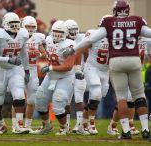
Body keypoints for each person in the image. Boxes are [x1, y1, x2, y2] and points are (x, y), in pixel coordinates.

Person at [63, 0, 151, 140]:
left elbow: (90, 39)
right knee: (139, 95)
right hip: (133, 61)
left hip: (116, 62)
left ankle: (126, 131)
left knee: (122, 97)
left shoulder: (109, 23)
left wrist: (72, 49)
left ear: (115, 10)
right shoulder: (137, 21)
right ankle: (146, 130)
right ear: (127, 10)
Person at [0, 12, 30, 134]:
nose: (15, 26)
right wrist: (7, 59)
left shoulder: (22, 34)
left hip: (14, 68)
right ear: (5, 24)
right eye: (12, 23)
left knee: (19, 93)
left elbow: (24, 53)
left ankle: (19, 125)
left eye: (17, 23)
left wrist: (26, 70)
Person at [34, 20, 76, 135]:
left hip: (65, 77)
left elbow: (68, 66)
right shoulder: (48, 39)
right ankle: (47, 126)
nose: (57, 34)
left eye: (60, 32)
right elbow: (45, 50)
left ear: (65, 33)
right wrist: (41, 53)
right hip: (50, 76)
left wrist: (50, 68)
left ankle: (64, 127)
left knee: (58, 100)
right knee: (40, 99)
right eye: (55, 31)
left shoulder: (69, 45)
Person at [20, 16, 46, 133]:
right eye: (28, 26)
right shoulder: (18, 36)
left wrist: (39, 54)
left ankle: (27, 125)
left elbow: (45, 55)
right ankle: (18, 124)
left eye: (32, 26)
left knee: (31, 100)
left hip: (33, 70)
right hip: (19, 69)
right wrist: (28, 52)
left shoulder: (38, 38)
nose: (30, 29)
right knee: (18, 97)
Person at [63, 19, 88, 135]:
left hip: (79, 71)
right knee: (66, 100)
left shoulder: (82, 37)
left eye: (74, 30)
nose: (73, 32)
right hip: (66, 72)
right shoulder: (62, 40)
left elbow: (89, 46)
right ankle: (66, 125)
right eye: (70, 30)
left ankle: (79, 125)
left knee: (79, 98)